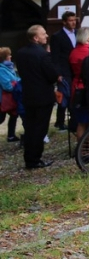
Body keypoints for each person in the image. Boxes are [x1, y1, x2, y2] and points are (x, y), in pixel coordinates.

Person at [13, 26, 57, 169]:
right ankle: (35, 159)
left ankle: (29, 157)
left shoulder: (20, 53)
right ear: (36, 38)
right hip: (43, 95)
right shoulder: (43, 54)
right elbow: (51, 75)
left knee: (30, 127)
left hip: (28, 94)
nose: (46, 36)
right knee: (40, 128)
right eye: (44, 34)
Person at [50, 10, 78, 131]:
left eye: (74, 20)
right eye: (70, 21)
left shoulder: (77, 33)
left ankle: (73, 119)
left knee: (73, 94)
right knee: (64, 94)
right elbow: (55, 57)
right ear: (64, 22)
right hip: (64, 68)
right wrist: (58, 73)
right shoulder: (57, 36)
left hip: (75, 68)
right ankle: (60, 121)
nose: (73, 23)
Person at [68, 25, 89, 141]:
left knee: (81, 123)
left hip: (76, 87)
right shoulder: (88, 53)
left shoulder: (73, 52)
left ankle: (82, 150)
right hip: (87, 89)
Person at [0, 48, 22, 141]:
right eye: (9, 55)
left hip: (11, 97)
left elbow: (16, 79)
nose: (10, 56)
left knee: (14, 115)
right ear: (4, 58)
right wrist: (16, 86)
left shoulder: (9, 68)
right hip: (4, 98)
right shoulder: (1, 69)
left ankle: (11, 135)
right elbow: (7, 85)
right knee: (1, 117)